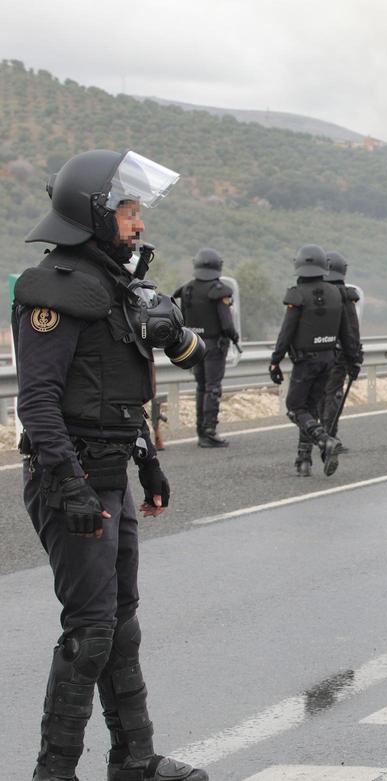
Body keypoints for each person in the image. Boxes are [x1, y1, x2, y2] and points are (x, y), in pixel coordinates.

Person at [16, 148, 208, 781]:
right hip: (70, 478)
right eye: (129, 210)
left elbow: (120, 389)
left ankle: (135, 759)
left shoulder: (116, 286)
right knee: (93, 628)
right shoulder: (54, 288)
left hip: (111, 472)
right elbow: (39, 402)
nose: (138, 223)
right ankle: (54, 772)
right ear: (94, 214)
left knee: (120, 624)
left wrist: (146, 460)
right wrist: (69, 486)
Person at [269, 244, 362, 477]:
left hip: (305, 362)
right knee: (309, 409)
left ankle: (323, 440)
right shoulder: (337, 294)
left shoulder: (297, 294)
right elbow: (347, 333)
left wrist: (275, 360)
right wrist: (354, 360)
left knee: (295, 409)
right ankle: (303, 461)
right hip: (329, 361)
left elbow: (286, 331)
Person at [173, 248, 239, 448]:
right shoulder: (219, 290)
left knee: (201, 387)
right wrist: (234, 337)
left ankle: (201, 431)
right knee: (212, 387)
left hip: (193, 345)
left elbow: (181, 318)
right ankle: (209, 430)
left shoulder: (187, 289)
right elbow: (227, 325)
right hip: (213, 346)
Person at [301, 250, 362, 460]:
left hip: (317, 353)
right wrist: (356, 357)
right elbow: (352, 330)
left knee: (315, 398)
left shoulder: (314, 292)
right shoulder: (344, 295)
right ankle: (329, 437)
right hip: (339, 354)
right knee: (333, 395)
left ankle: (317, 439)